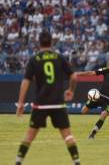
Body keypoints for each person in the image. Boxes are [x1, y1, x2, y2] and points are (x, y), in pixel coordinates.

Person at [15, 31, 80, 165]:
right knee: (67, 136)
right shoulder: (59, 57)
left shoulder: (34, 60)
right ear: (51, 42)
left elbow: (25, 82)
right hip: (58, 103)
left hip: (41, 104)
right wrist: (70, 90)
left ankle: (17, 162)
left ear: (39, 43)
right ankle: (77, 162)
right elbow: (74, 76)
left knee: (29, 136)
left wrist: (21, 104)